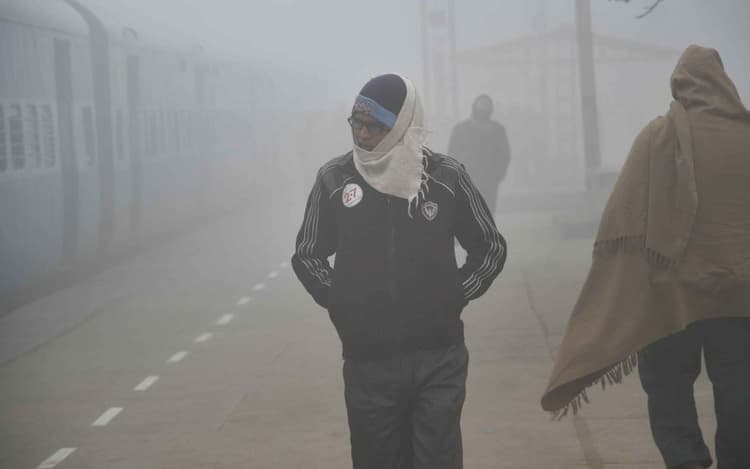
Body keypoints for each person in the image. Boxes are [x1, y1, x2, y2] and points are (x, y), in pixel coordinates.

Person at [540, 45, 750, 469]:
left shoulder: (657, 137)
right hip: (740, 298)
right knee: (740, 391)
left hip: (670, 299)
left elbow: (624, 219)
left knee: (668, 386)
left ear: (680, 86)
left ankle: (686, 461)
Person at [292, 73, 506, 469]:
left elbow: (490, 247)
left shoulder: (445, 177)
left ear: (403, 125)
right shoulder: (335, 179)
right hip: (367, 361)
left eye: (373, 126)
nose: (362, 134)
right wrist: (341, 299)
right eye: (356, 123)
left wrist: (454, 293)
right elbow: (308, 254)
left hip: (438, 357)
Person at [447, 94, 511, 215]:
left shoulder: (497, 130)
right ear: (474, 108)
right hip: (468, 178)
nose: (483, 111)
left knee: (487, 212)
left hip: (489, 180)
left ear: (490, 110)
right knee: (468, 212)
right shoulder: (460, 129)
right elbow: (452, 154)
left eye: (486, 108)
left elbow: (504, 155)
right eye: (481, 107)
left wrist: (498, 175)